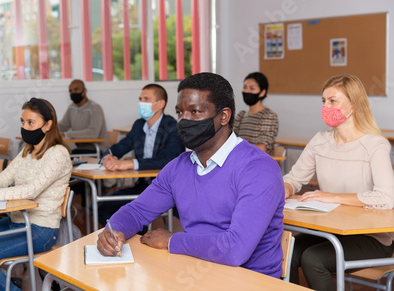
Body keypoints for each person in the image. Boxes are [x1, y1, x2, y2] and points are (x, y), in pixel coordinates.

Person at [97, 73, 285, 278]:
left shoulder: (259, 168)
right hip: (193, 270)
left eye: (195, 111)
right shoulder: (179, 167)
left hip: (250, 279)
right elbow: (137, 211)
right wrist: (114, 230)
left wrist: (171, 241)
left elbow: (235, 249)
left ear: (223, 116)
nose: (184, 120)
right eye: (180, 112)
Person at [284, 74, 394, 290]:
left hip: (371, 237)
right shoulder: (320, 140)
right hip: (332, 229)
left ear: (353, 104)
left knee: (313, 258)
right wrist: (284, 188)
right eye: (323, 101)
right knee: (290, 250)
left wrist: (332, 197)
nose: (326, 107)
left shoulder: (375, 145)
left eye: (333, 101)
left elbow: (387, 197)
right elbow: (294, 178)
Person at [0, 98, 72, 291]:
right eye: (22, 122)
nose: (24, 127)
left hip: (40, 230)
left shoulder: (58, 154)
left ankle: (8, 286)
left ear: (48, 125)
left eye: (31, 123)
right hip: (17, 221)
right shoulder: (27, 150)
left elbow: (31, 191)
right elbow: (6, 176)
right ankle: (5, 283)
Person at [97, 83, 184, 225]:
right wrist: (108, 156)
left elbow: (168, 160)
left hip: (166, 189)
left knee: (135, 211)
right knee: (101, 207)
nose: (141, 103)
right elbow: (121, 146)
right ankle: (132, 237)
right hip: (142, 187)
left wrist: (130, 163)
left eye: (146, 99)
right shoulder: (139, 125)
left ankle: (136, 234)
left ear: (160, 104)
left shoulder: (172, 126)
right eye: (140, 99)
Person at [58, 79, 110, 154]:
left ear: (84, 91)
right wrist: (49, 128)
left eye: (76, 89)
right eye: (70, 91)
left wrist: (67, 134)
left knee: (66, 157)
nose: (73, 93)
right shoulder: (72, 108)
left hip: (97, 149)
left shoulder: (95, 108)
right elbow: (63, 125)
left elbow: (93, 133)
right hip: (81, 149)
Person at [233, 72, 278, 155]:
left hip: (256, 162)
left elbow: (262, 147)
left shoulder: (269, 116)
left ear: (262, 92)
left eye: (252, 88)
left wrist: (238, 153)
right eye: (245, 87)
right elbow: (230, 141)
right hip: (238, 159)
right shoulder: (241, 115)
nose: (246, 91)